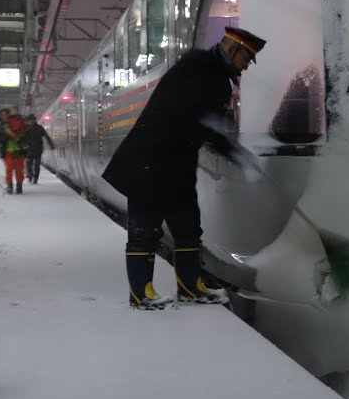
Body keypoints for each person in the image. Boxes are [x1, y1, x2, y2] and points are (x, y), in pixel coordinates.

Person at [102, 28, 266, 309]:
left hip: (176, 164)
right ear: (231, 50)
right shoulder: (196, 69)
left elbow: (211, 125)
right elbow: (203, 120)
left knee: (188, 227)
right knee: (145, 231)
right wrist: (234, 150)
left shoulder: (216, 78)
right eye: (246, 58)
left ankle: (190, 287)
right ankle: (141, 294)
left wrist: (234, 149)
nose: (247, 65)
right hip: (150, 163)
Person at [0, 108, 28, 194]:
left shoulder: (19, 123)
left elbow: (25, 135)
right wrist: (7, 137)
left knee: (19, 169)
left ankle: (19, 185)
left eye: (5, 114)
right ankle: (9, 186)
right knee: (9, 169)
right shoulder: (2, 127)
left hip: (19, 150)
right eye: (1, 115)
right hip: (8, 151)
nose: (3, 116)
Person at [21, 114, 55, 184]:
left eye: (32, 120)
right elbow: (21, 138)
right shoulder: (26, 129)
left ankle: (35, 178)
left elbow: (46, 136)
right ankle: (30, 177)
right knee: (29, 165)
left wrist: (51, 144)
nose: (31, 122)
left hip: (37, 149)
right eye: (30, 120)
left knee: (37, 165)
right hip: (28, 150)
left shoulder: (39, 128)